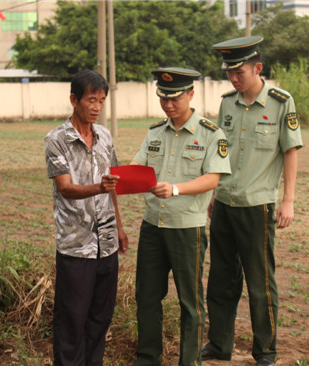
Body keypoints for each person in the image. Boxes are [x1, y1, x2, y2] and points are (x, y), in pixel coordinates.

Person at [202, 36, 303, 366]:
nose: (234, 78)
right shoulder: (227, 103)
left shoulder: (280, 102)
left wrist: (288, 201)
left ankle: (266, 352)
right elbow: (220, 154)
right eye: (229, 73)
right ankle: (219, 344)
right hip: (225, 204)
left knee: (260, 284)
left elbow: (290, 151)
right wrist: (213, 195)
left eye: (240, 72)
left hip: (257, 207)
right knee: (220, 280)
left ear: (258, 68)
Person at [131, 67, 231, 366]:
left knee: (190, 301)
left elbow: (213, 179)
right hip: (152, 227)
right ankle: (148, 358)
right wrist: (119, 178)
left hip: (187, 229)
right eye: (163, 98)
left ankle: (189, 362)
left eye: (174, 98)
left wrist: (175, 189)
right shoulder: (154, 132)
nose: (168, 104)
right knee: (147, 297)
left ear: (191, 94)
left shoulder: (211, 134)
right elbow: (138, 167)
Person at [44, 70, 129, 366]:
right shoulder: (57, 140)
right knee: (71, 320)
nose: (96, 107)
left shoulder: (104, 135)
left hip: (106, 245)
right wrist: (99, 187)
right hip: (75, 246)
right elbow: (65, 188)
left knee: (99, 318)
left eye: (101, 101)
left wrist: (119, 226)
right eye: (91, 100)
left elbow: (113, 185)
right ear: (74, 99)